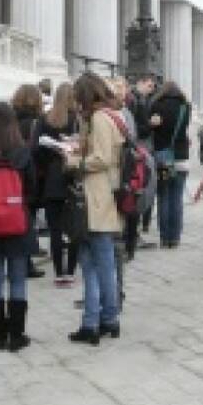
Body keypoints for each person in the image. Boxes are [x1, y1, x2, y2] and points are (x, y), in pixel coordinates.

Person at [66, 73, 126, 344]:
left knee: (99, 264)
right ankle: (97, 321)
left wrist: (75, 162)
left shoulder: (100, 119)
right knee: (95, 263)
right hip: (100, 196)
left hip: (97, 196)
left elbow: (101, 158)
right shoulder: (105, 116)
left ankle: (105, 319)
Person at [0, 102, 37, 351]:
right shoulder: (23, 153)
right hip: (17, 223)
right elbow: (32, 190)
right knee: (17, 279)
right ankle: (17, 335)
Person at [36, 82, 80, 286]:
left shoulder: (45, 119)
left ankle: (58, 272)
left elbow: (36, 149)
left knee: (54, 228)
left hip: (52, 178)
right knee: (73, 228)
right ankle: (70, 271)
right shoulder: (78, 119)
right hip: (73, 177)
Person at [11, 84, 48, 278]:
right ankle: (25, 263)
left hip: (12, 174)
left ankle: (18, 260)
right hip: (30, 173)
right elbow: (37, 149)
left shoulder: (11, 119)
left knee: (17, 217)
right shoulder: (35, 122)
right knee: (28, 218)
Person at [150, 81, 191, 249]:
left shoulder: (157, 105)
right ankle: (175, 237)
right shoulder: (185, 107)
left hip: (164, 158)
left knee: (164, 195)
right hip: (180, 157)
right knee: (177, 197)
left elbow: (153, 128)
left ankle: (164, 237)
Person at [131, 73, 160, 239]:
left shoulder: (143, 100)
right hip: (145, 150)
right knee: (145, 185)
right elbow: (140, 129)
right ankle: (142, 224)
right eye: (149, 85)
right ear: (140, 82)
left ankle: (144, 224)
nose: (151, 90)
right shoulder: (137, 101)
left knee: (147, 185)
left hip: (150, 152)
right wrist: (151, 124)